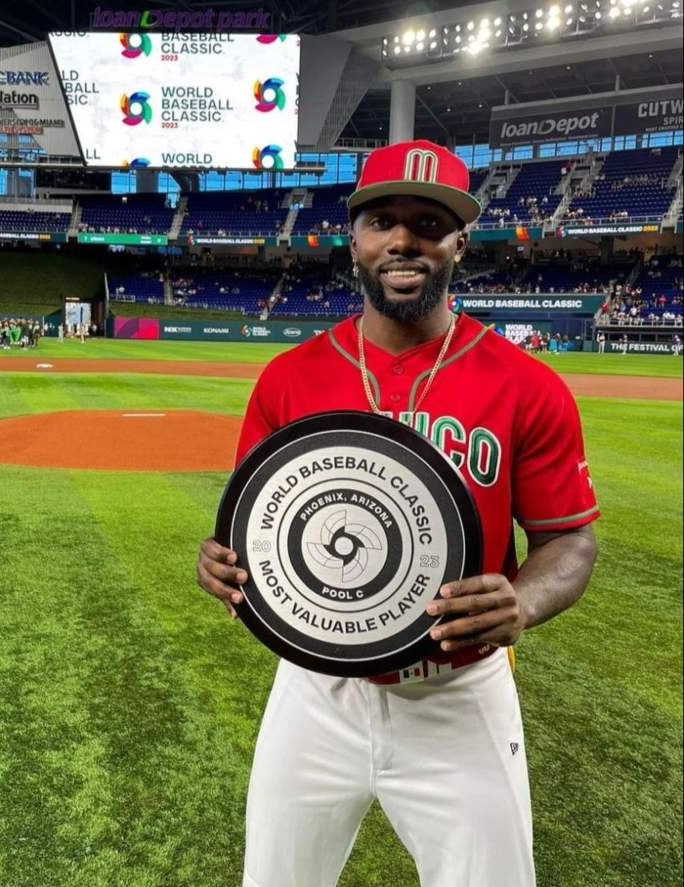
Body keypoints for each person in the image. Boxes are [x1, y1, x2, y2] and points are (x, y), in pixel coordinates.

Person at [196, 140, 599, 887]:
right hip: (315, 690)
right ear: (354, 237)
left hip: (457, 691)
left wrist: (525, 598)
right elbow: (253, 525)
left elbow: (570, 538)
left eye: (429, 221)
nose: (405, 239)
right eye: (384, 219)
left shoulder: (526, 385)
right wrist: (220, 563)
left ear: (458, 242)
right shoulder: (289, 379)